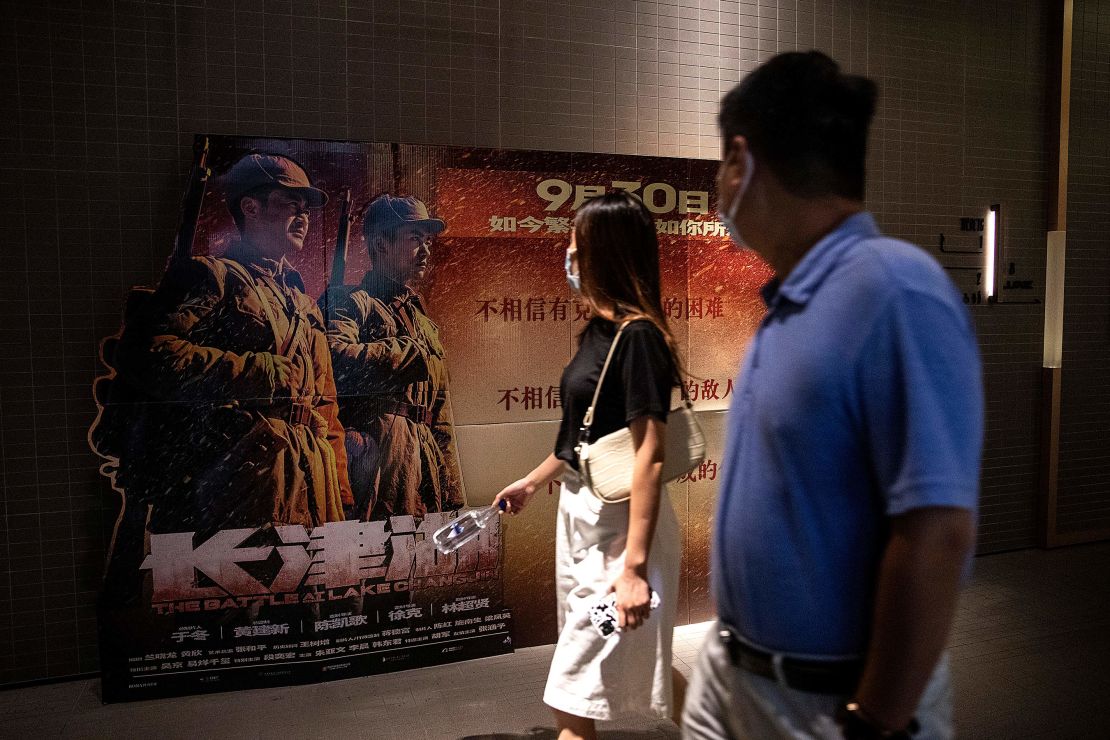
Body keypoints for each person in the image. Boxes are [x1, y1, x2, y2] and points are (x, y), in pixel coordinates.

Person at [681, 51, 983, 740]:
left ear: (740, 159)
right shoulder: (794, 301)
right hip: (735, 672)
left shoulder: (894, 290)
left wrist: (875, 719)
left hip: (825, 704)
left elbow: (938, 531)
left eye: (719, 167)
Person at [495, 191, 686, 740]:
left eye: (576, 245)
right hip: (582, 521)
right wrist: (531, 484)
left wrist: (634, 570)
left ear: (606, 252)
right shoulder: (595, 333)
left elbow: (649, 455)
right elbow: (579, 441)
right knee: (623, 646)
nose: (568, 255)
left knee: (578, 670)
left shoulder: (640, 337)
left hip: (623, 534)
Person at [114, 152, 353, 536]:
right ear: (250, 207)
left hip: (314, 478)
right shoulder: (212, 277)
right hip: (243, 479)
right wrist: (256, 371)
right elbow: (145, 351)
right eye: (290, 203)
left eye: (306, 208)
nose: (303, 215)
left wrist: (341, 494)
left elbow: (325, 404)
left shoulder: (303, 303)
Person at [326, 194, 466, 520]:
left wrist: (452, 488)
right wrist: (405, 353)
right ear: (381, 244)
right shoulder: (351, 302)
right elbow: (335, 359)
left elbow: (440, 411)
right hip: (379, 454)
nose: (426, 250)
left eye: (427, 240)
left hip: (424, 456)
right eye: (414, 238)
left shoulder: (423, 320)